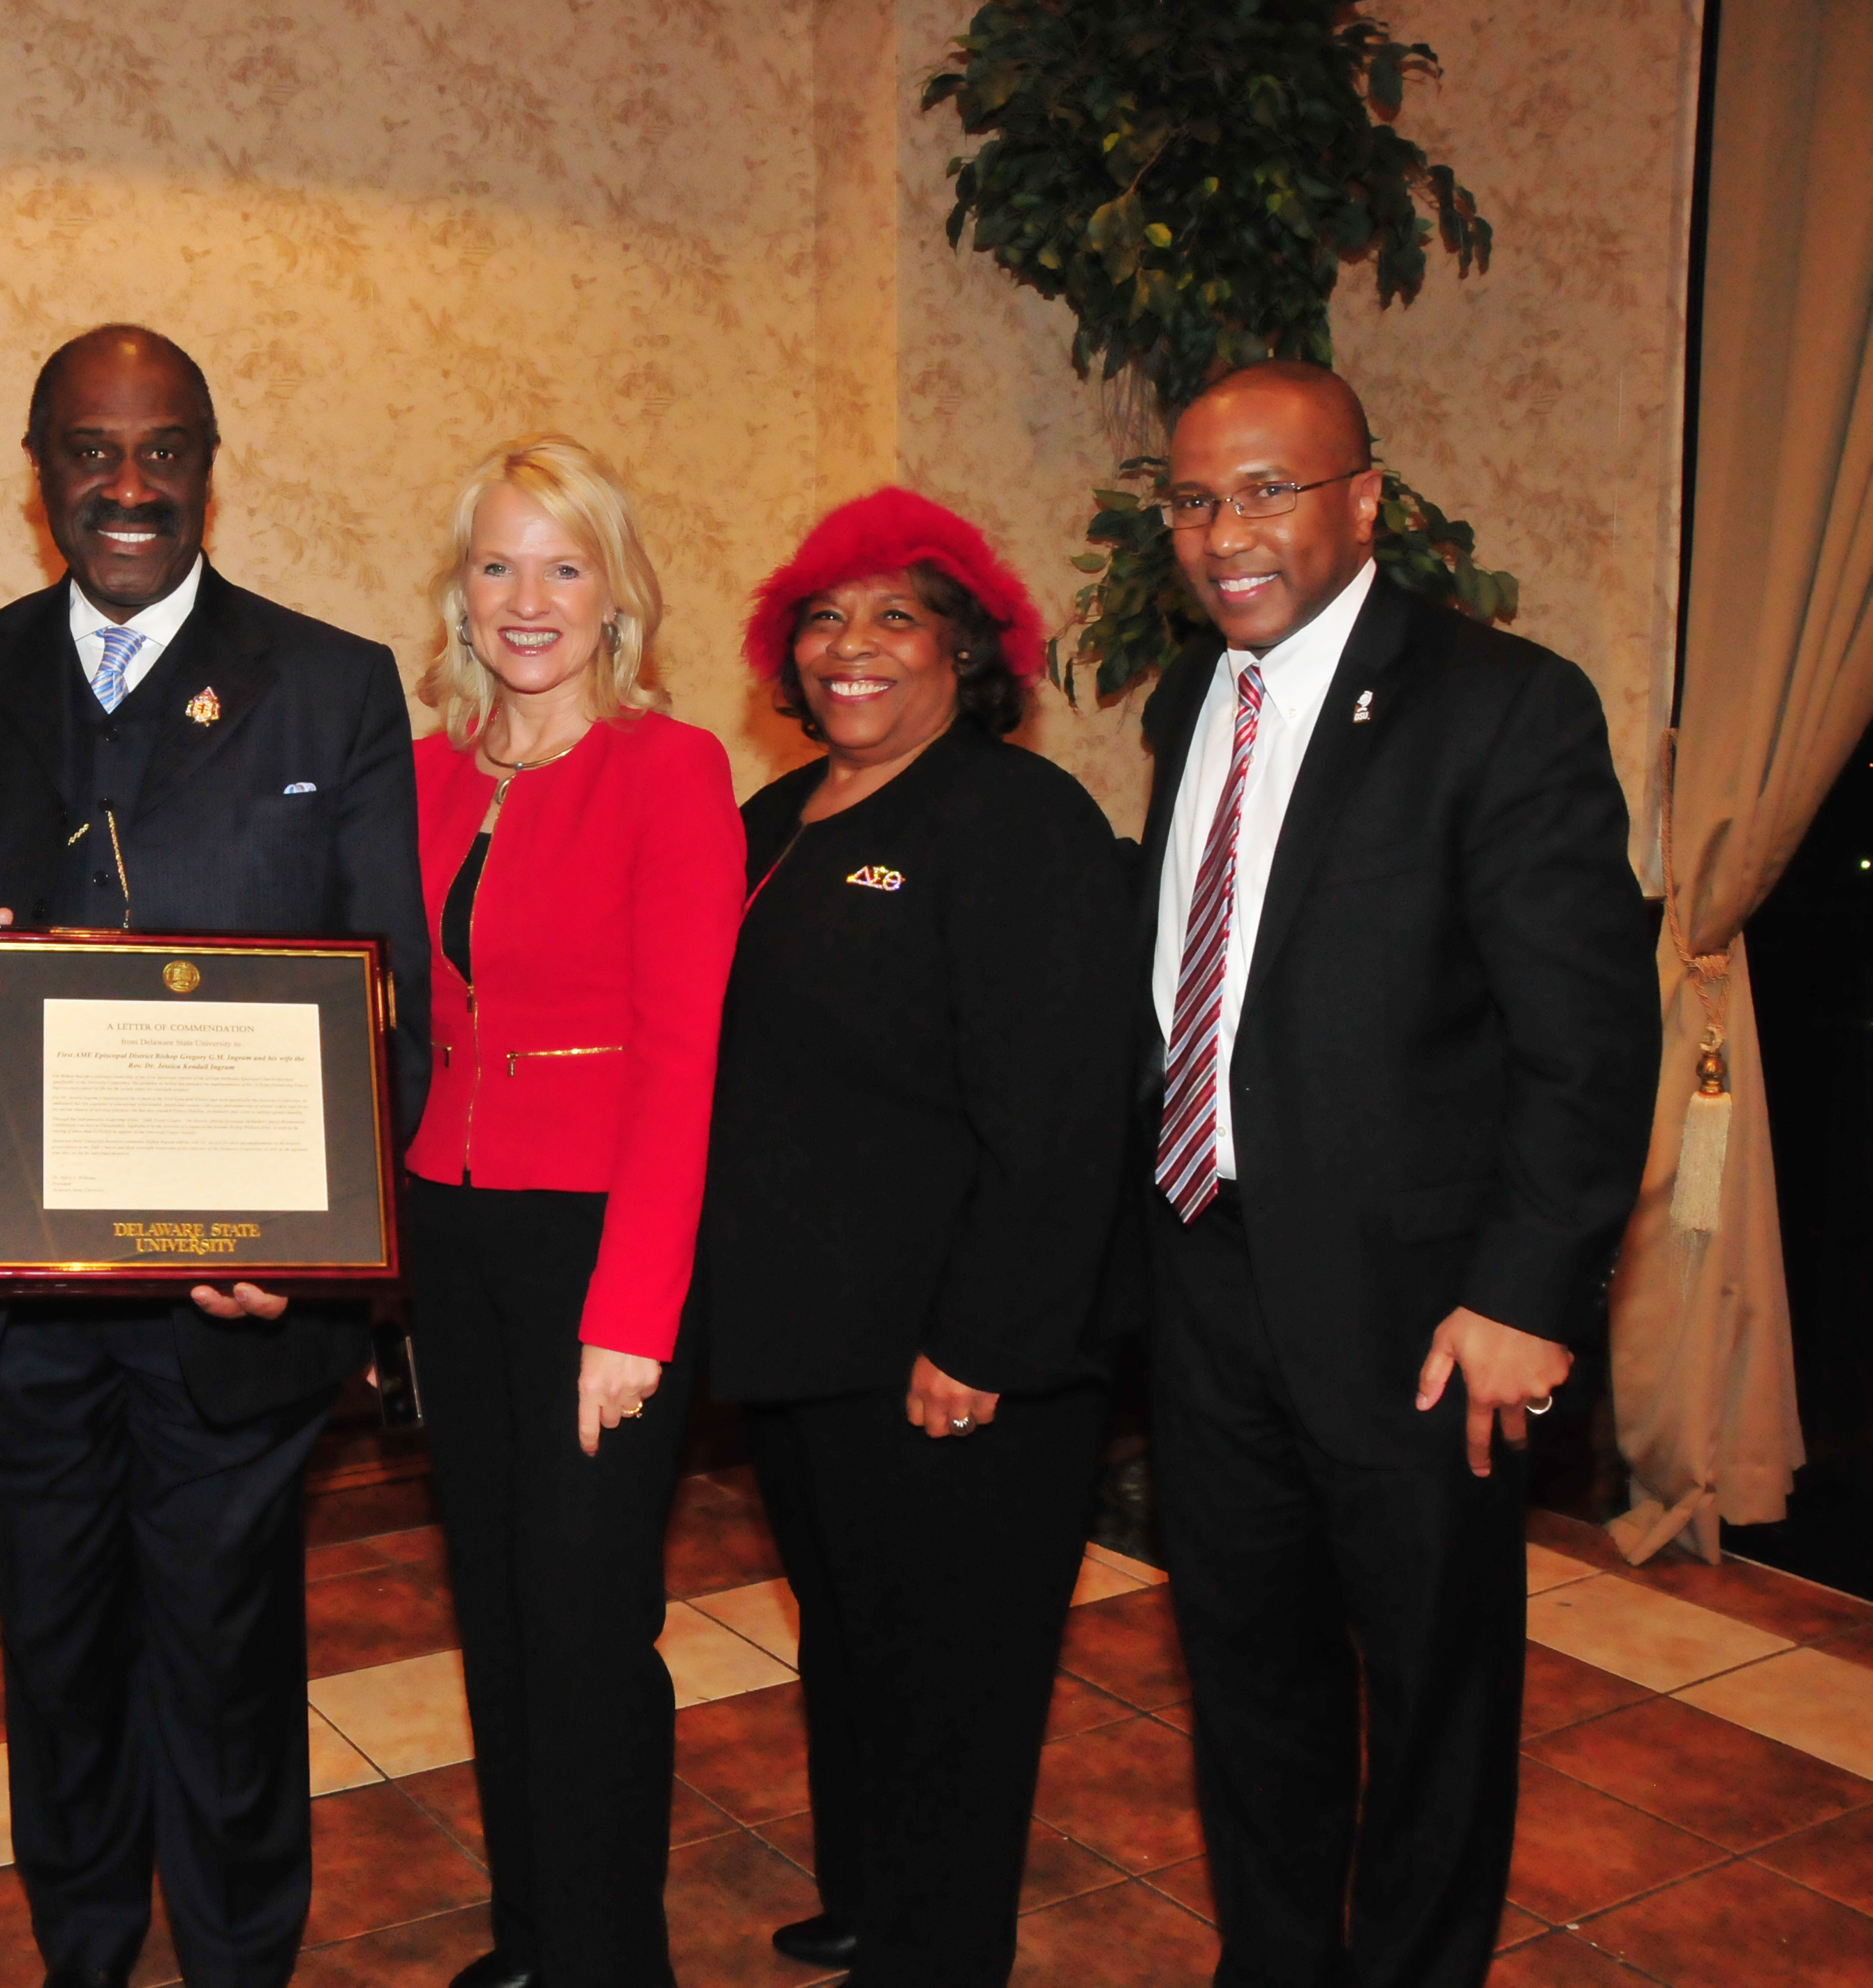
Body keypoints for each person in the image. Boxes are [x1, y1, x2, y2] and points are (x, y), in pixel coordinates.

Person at [0, 323, 431, 1988]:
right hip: (13, 1316)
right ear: (36, 474)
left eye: (160, 449)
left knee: (231, 1667)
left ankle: (242, 1961)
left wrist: (314, 1244)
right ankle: (85, 1956)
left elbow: (385, 998)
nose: (124, 484)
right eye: (88, 450)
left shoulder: (333, 681)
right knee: (59, 1665)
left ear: (206, 465)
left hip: (238, 1309)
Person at [1134, 361, 1654, 1987]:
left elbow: (1585, 1037)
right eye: (1197, 498)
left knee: (1431, 1694)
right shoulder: (1179, 703)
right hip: (1208, 1280)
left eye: (1268, 489)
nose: (1229, 532)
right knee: (1247, 1673)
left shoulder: (1500, 702)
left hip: (1423, 1318)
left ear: (1364, 499)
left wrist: (1519, 1293)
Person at [693, 487, 1139, 1987]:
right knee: (849, 1638)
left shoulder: (1016, 818)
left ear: (968, 646)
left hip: (955, 1356)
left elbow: (1066, 1109)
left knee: (958, 1672)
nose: (850, 646)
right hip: (808, 1345)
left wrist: (983, 1336)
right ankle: (872, 1892)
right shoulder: (766, 823)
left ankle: (936, 1948)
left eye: (896, 615)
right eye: (822, 615)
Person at [396, 436, 742, 1988]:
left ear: (614, 595)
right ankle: (531, 1935)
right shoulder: (417, 774)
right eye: (494, 564)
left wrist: (631, 1311)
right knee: (497, 1604)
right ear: (457, 600)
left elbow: (684, 1062)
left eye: (562, 563)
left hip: (595, 1241)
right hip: (447, 1237)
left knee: (589, 1624)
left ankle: (610, 1960)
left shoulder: (669, 770)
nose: (524, 597)